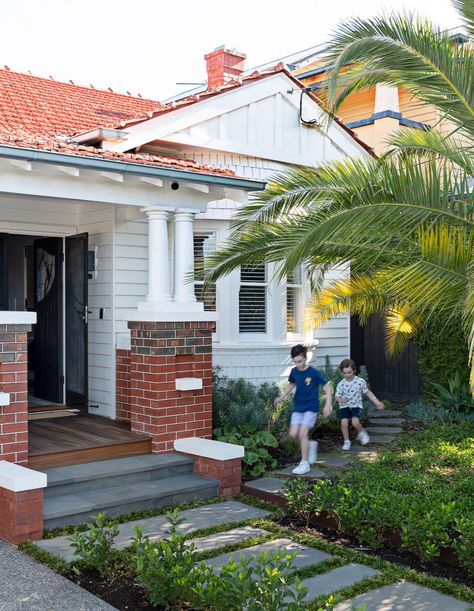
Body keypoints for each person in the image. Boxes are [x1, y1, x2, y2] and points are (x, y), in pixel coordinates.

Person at [274, 344, 333, 475]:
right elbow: (292, 383)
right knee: (293, 433)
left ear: (305, 358)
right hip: (298, 407)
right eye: (295, 362)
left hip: (311, 407)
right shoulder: (294, 371)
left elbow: (327, 387)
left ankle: (304, 463)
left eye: (300, 361)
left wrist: (328, 405)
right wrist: (282, 397)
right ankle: (310, 445)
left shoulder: (313, 372)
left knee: (302, 433)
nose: (298, 364)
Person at [335, 358, 384, 451]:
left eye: (349, 372)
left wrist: (377, 402)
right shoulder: (340, 384)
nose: (347, 375)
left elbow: (368, 393)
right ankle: (346, 441)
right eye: (344, 373)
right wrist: (341, 400)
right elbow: (337, 396)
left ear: (354, 370)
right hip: (344, 406)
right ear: (341, 372)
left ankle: (361, 432)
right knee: (344, 423)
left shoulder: (360, 382)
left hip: (355, 405)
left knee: (355, 422)